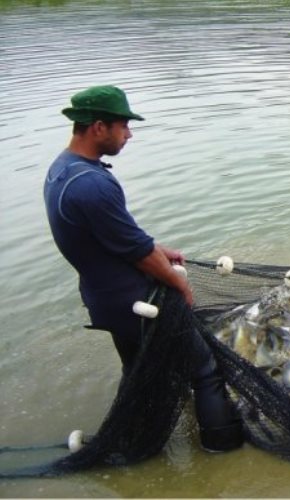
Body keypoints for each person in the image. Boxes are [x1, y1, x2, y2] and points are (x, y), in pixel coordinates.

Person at [43, 85, 243, 452]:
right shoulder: (91, 185)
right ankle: (224, 448)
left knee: (139, 371)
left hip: (108, 300)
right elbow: (136, 250)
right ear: (98, 127)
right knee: (205, 371)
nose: (129, 134)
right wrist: (178, 286)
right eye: (124, 126)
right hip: (141, 303)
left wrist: (159, 250)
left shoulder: (63, 169)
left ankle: (138, 442)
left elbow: (116, 237)